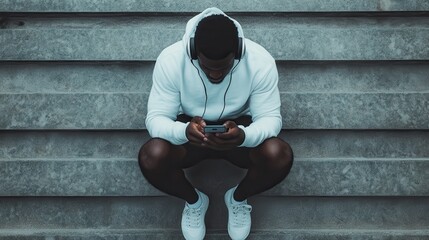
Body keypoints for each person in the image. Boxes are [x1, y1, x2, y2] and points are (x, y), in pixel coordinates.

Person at [138, 7, 293, 240]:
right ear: (193, 52)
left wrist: (244, 135)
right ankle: (195, 202)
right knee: (152, 155)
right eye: (207, 67)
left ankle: (238, 198)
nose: (216, 75)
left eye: (223, 67)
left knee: (279, 153)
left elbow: (271, 119)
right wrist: (183, 131)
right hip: (191, 132)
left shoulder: (260, 61)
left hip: (238, 132)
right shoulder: (171, 60)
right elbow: (156, 118)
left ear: (238, 52)